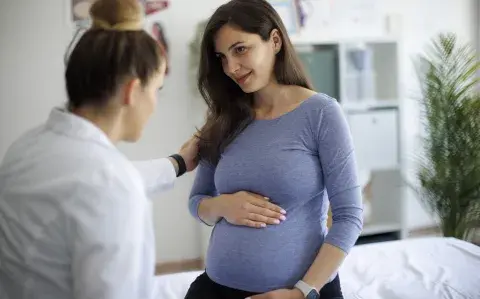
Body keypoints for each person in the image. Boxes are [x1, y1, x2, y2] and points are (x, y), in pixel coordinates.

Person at [0, 0, 198, 298]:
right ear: (132, 91)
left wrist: (179, 162)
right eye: (156, 90)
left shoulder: (27, 147)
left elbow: (86, 183)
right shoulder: (113, 188)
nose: (154, 105)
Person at [186, 0, 364, 299]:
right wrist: (223, 207)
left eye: (240, 49)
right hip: (215, 288)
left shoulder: (320, 113)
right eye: (222, 57)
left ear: (275, 41)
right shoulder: (224, 118)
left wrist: (302, 292)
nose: (231, 67)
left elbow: (349, 216)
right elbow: (197, 201)